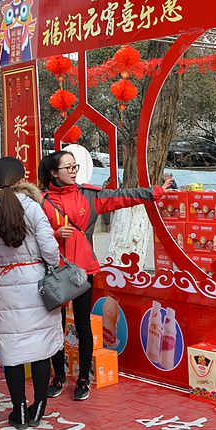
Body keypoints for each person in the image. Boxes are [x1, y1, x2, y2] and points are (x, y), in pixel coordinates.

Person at [38, 149, 162, 401]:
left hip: (83, 271)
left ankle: (83, 378)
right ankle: (58, 376)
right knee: (54, 326)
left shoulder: (89, 195)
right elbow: (30, 235)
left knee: (83, 324)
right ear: (53, 173)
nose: (73, 171)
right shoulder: (40, 201)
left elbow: (122, 197)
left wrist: (154, 193)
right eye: (68, 168)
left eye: (75, 167)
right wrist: (54, 234)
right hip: (53, 273)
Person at [0, 157, 62, 430]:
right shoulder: (32, 206)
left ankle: (19, 411)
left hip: (5, 284)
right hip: (37, 285)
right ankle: (39, 408)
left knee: (12, 351)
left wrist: (2, 265)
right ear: (22, 178)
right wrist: (46, 265)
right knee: (41, 349)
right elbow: (51, 251)